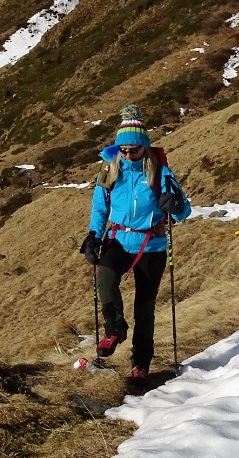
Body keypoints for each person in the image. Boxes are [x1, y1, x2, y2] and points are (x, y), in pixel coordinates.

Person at [78, 105, 192, 380]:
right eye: (123, 150)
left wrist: (175, 205)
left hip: (152, 245)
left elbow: (183, 211)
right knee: (104, 278)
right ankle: (115, 328)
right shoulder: (109, 171)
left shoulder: (161, 172)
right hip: (118, 240)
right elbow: (100, 209)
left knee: (145, 308)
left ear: (144, 147)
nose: (128, 155)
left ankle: (141, 363)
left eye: (134, 150)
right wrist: (94, 235)